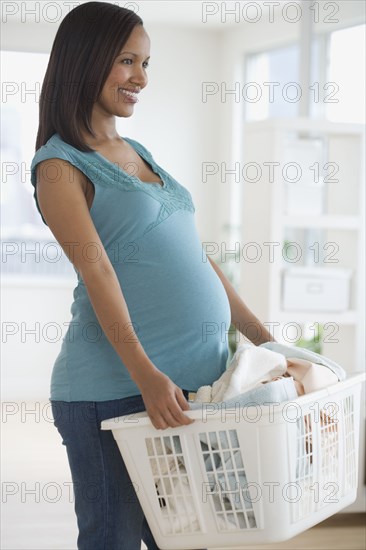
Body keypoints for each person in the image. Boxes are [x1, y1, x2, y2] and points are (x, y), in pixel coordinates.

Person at [30, 2, 274, 548]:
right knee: (113, 540)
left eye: (146, 63)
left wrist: (265, 339)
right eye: (126, 60)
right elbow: (100, 277)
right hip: (116, 391)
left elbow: (195, 256)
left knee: (188, 538)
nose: (141, 77)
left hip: (187, 390)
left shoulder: (135, 151)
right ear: (85, 61)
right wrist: (145, 374)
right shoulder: (59, 167)